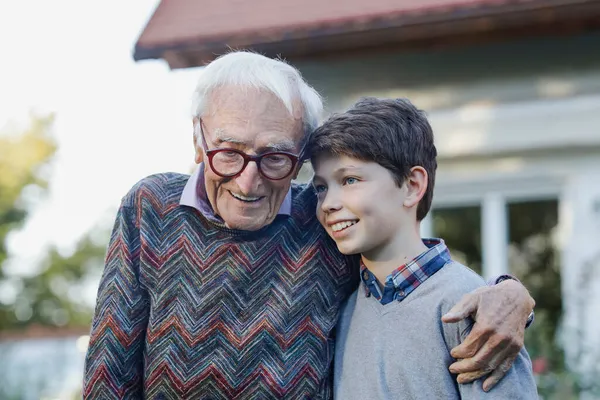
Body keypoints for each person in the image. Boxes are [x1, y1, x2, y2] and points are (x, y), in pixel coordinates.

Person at [83, 51, 535, 399]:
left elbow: (410, 268)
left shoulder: (318, 220)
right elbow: (109, 370)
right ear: (198, 139)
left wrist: (510, 293)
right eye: (229, 152)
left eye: (276, 157)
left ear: (299, 155)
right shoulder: (152, 207)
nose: (249, 179)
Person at [309, 97, 538, 399]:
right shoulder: (344, 305)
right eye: (321, 187)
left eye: (350, 180)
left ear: (412, 186)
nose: (329, 203)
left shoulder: (467, 306)